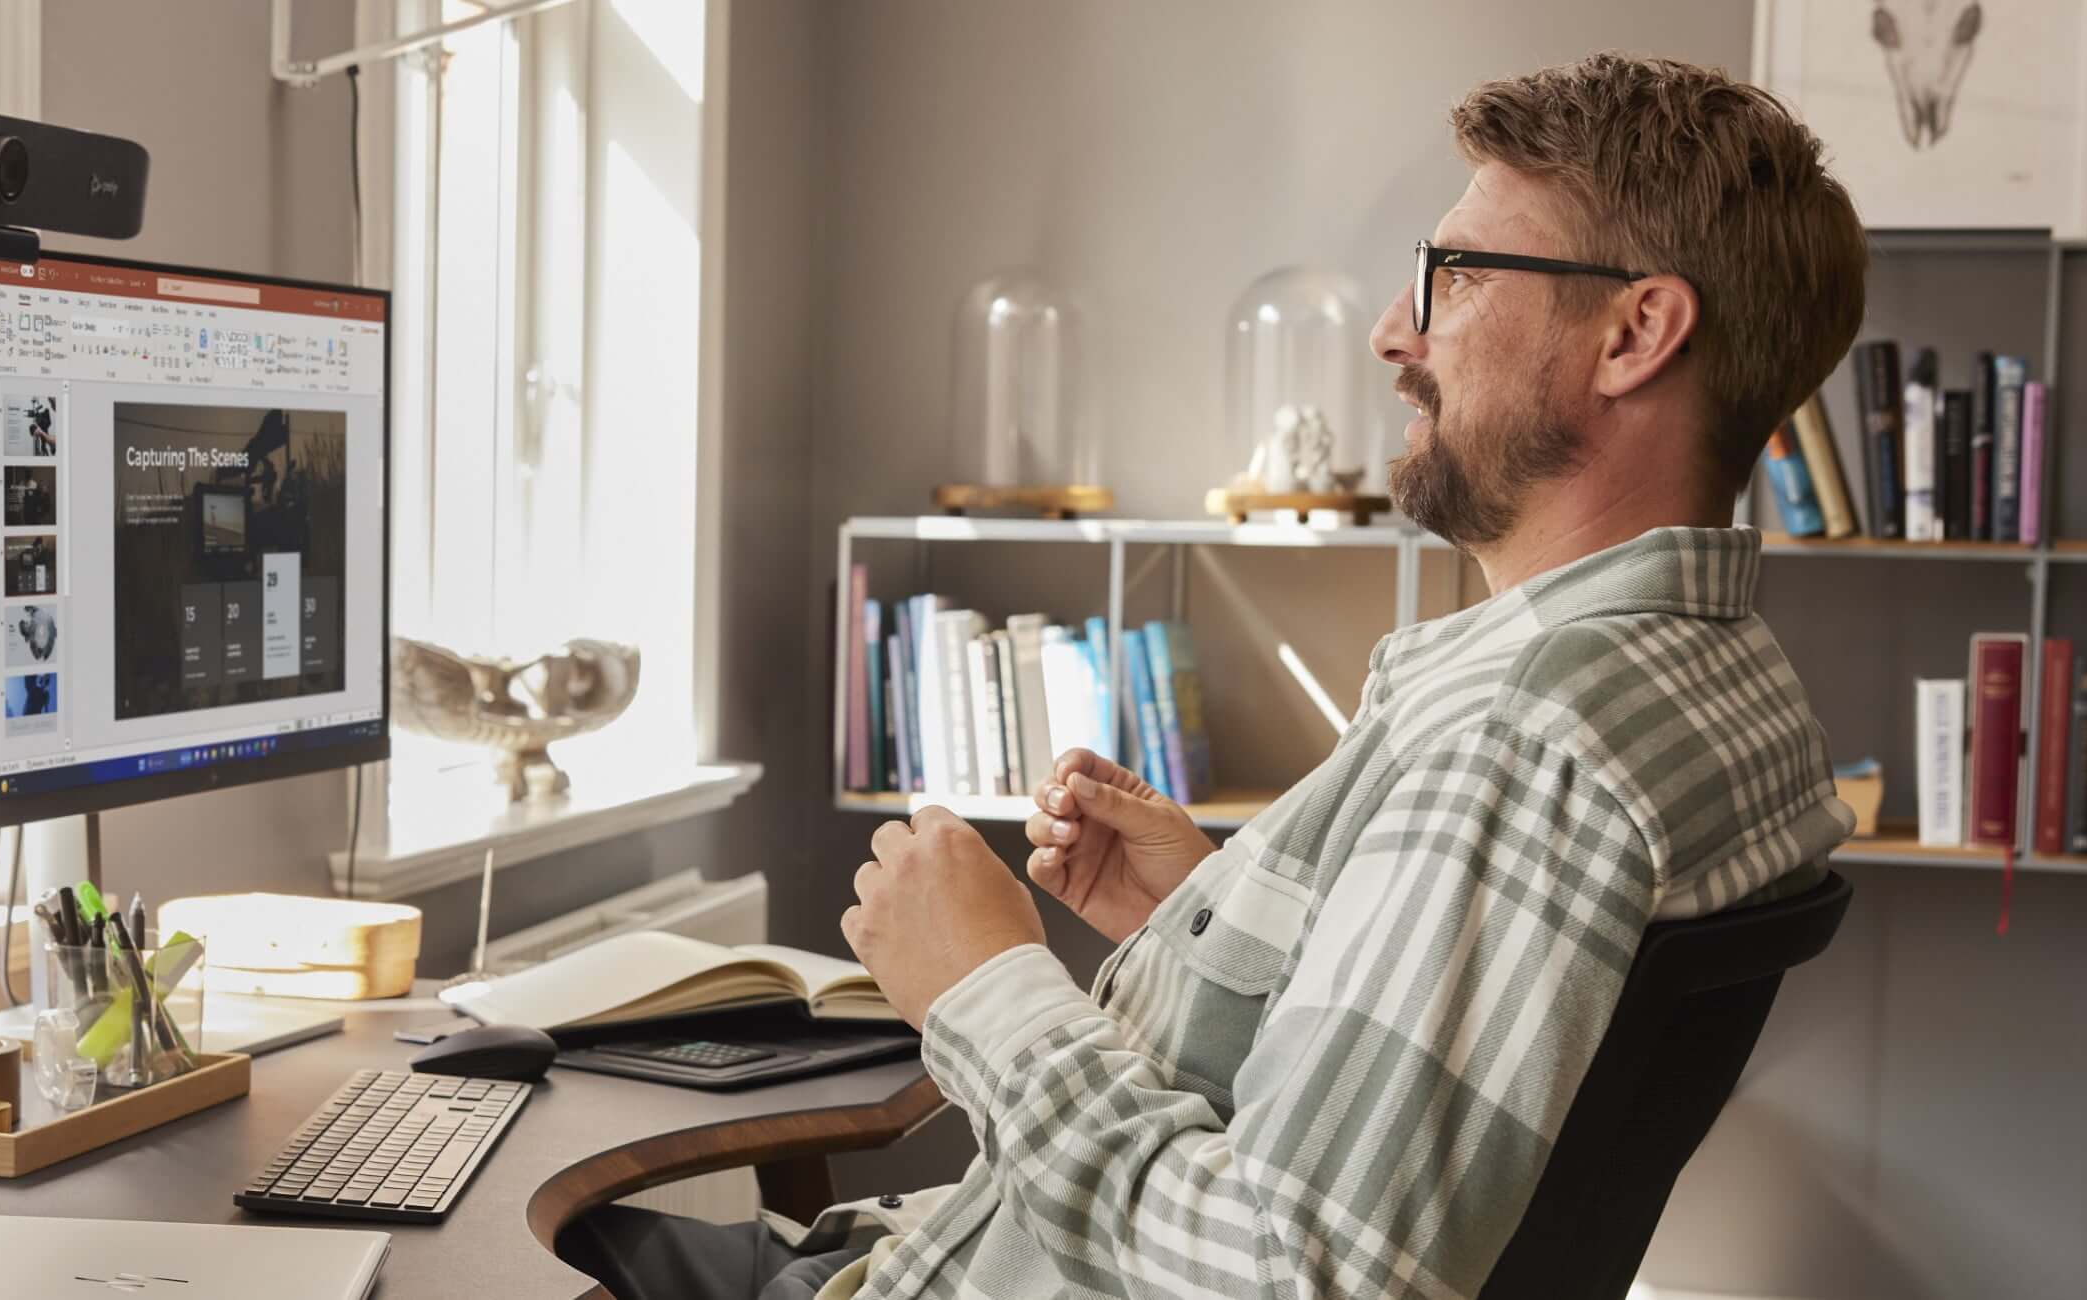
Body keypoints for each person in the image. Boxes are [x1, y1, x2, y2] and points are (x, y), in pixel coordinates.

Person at [561, 54, 1870, 1300]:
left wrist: (987, 990)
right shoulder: (1716, 684)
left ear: (1635, 333)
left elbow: (1283, 1279)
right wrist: (1216, 919)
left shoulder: (1523, 743)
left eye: (1457, 274)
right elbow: (1469, 1046)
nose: (1392, 331)